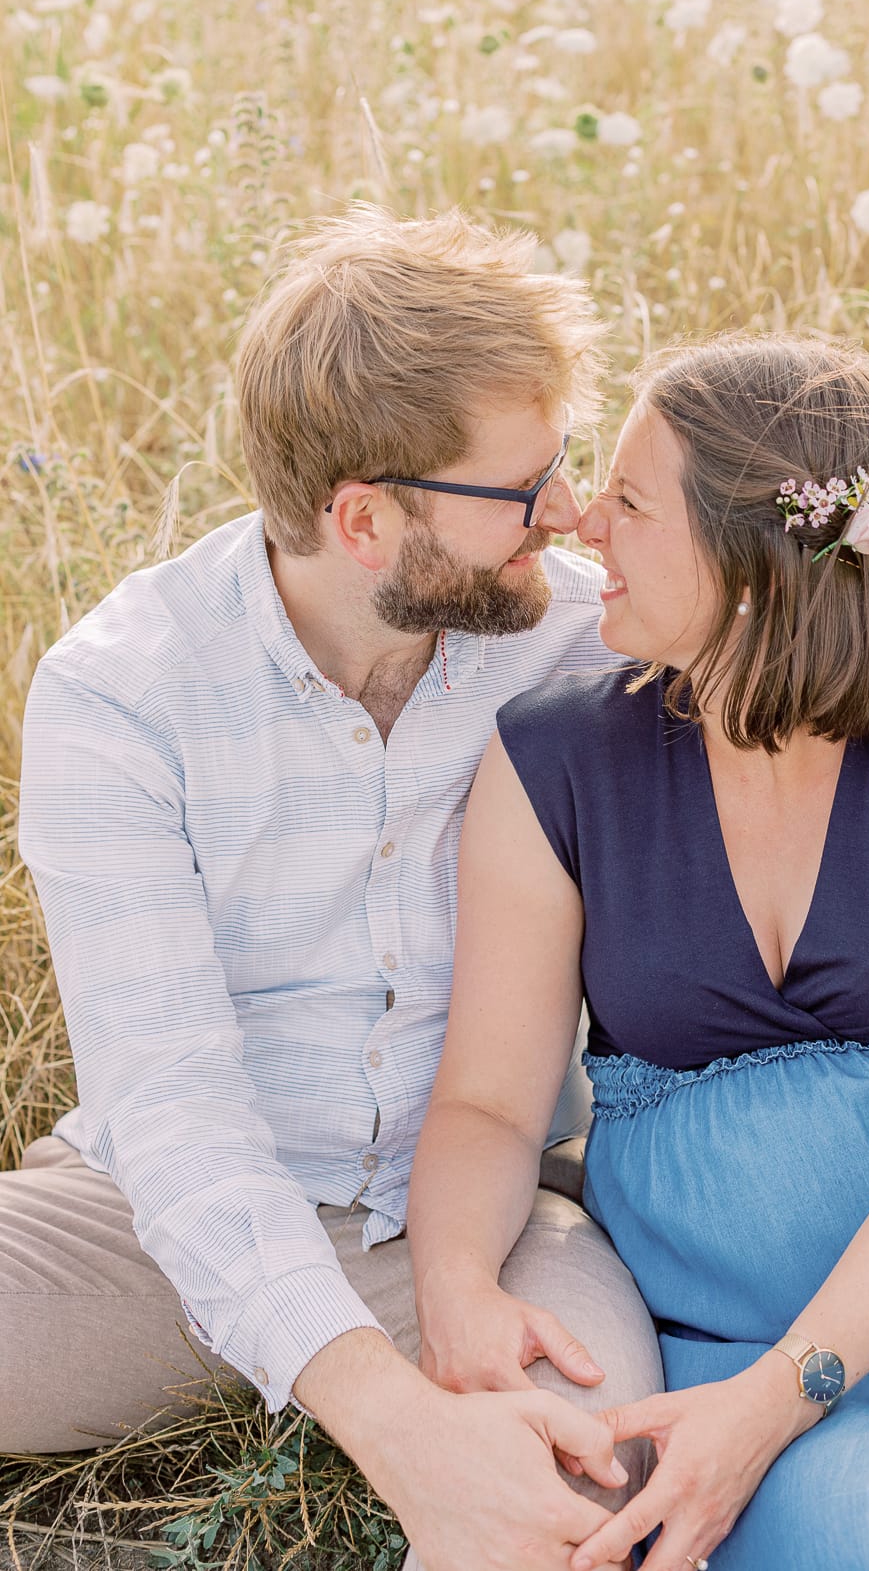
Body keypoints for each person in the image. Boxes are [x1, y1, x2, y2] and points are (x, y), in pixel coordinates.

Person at [408, 333, 869, 1571]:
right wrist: (457, 1288)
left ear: (754, 569)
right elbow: (492, 1102)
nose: (586, 520)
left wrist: (777, 1404)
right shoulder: (550, 763)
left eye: (633, 501)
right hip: (721, 1316)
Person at [8, 206, 664, 1570]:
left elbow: (843, 757)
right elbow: (176, 1109)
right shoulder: (119, 695)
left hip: (487, 1218)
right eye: (520, 487)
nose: (563, 510)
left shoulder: (580, 639)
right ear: (364, 518)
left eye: (559, 466)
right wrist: (387, 1416)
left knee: (597, 1504)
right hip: (159, 1221)